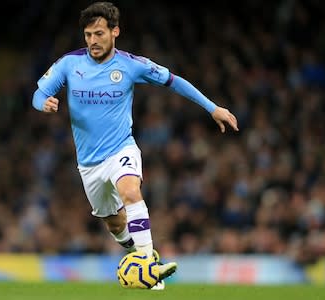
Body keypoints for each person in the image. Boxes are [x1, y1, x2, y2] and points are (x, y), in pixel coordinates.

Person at [32, 1, 239, 289]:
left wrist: (211, 107)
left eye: (99, 34)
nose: (92, 40)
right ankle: (139, 253)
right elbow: (39, 93)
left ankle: (148, 265)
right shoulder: (69, 64)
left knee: (130, 190)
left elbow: (173, 81)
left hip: (121, 149)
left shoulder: (131, 65)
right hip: (89, 163)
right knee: (115, 224)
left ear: (115, 31)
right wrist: (44, 103)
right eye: (88, 34)